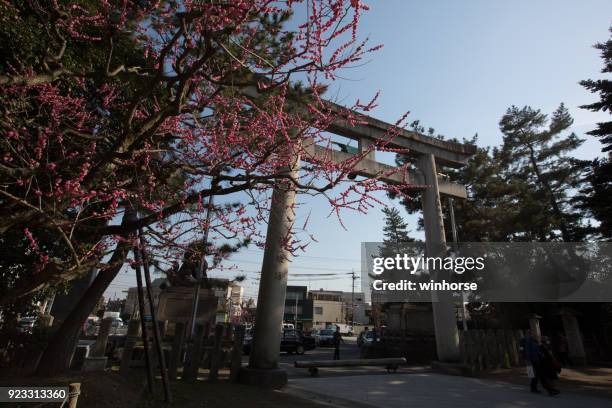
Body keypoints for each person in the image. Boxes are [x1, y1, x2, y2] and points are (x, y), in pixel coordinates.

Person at [519, 329, 558, 395]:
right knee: (535, 375)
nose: (533, 334)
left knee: (537, 374)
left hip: (535, 359)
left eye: (532, 332)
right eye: (531, 332)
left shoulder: (534, 340)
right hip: (530, 360)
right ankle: (547, 389)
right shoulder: (525, 340)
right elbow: (524, 350)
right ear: (528, 333)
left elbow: (536, 349)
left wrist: (540, 354)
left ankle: (541, 388)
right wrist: (527, 359)